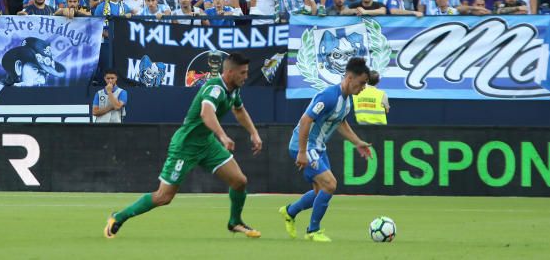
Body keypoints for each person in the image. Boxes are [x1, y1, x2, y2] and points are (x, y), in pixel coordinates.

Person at [105, 52, 262, 239]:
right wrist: (223, 136)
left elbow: (239, 110)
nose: (246, 76)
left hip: (206, 144)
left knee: (239, 181)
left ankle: (235, 222)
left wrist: (253, 132)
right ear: (229, 72)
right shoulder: (215, 89)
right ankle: (118, 217)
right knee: (163, 197)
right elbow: (206, 113)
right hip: (185, 146)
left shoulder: (233, 89)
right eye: (242, 73)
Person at [280, 57, 372, 243]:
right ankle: (313, 231)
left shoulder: (347, 101)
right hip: (304, 146)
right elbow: (306, 120)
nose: (363, 88)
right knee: (330, 184)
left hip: (319, 148)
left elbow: (341, 123)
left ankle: (289, 212)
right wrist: (302, 152)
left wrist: (357, 142)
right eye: (362, 83)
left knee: (319, 191)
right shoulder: (329, 96)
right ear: (349, 77)